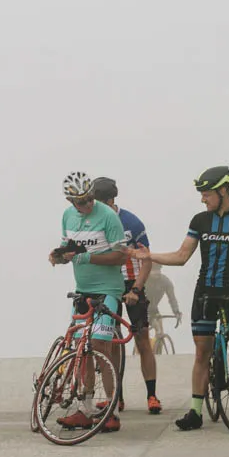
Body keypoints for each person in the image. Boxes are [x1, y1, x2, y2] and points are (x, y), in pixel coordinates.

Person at [140, 165, 229, 432]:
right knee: (202, 352)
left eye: (207, 194)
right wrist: (149, 256)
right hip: (205, 293)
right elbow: (182, 256)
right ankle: (195, 411)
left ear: (223, 190)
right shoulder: (200, 221)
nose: (203, 199)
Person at [48, 172, 130, 433]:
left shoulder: (107, 215)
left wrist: (87, 259)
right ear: (70, 200)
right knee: (81, 349)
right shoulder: (67, 216)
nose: (85, 205)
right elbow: (69, 249)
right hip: (82, 290)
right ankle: (84, 409)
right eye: (79, 201)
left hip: (108, 290)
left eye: (88, 199)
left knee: (100, 347)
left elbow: (120, 256)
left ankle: (112, 411)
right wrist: (59, 257)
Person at [91, 177, 160, 414]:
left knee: (142, 340)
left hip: (131, 283)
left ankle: (152, 395)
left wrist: (136, 289)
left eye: (101, 202)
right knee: (110, 343)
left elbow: (147, 259)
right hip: (106, 285)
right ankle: (115, 397)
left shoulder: (131, 222)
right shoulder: (93, 222)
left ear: (111, 200)